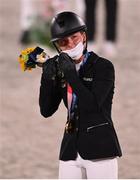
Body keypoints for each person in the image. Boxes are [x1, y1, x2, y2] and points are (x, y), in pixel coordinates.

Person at [39, 11, 122, 179]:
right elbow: (46, 111)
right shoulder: (61, 69)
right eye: (63, 42)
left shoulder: (103, 67)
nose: (70, 44)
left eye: (74, 38)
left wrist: (71, 75)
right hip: (70, 150)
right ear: (58, 46)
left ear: (84, 36)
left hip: (100, 150)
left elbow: (92, 106)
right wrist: (47, 79)